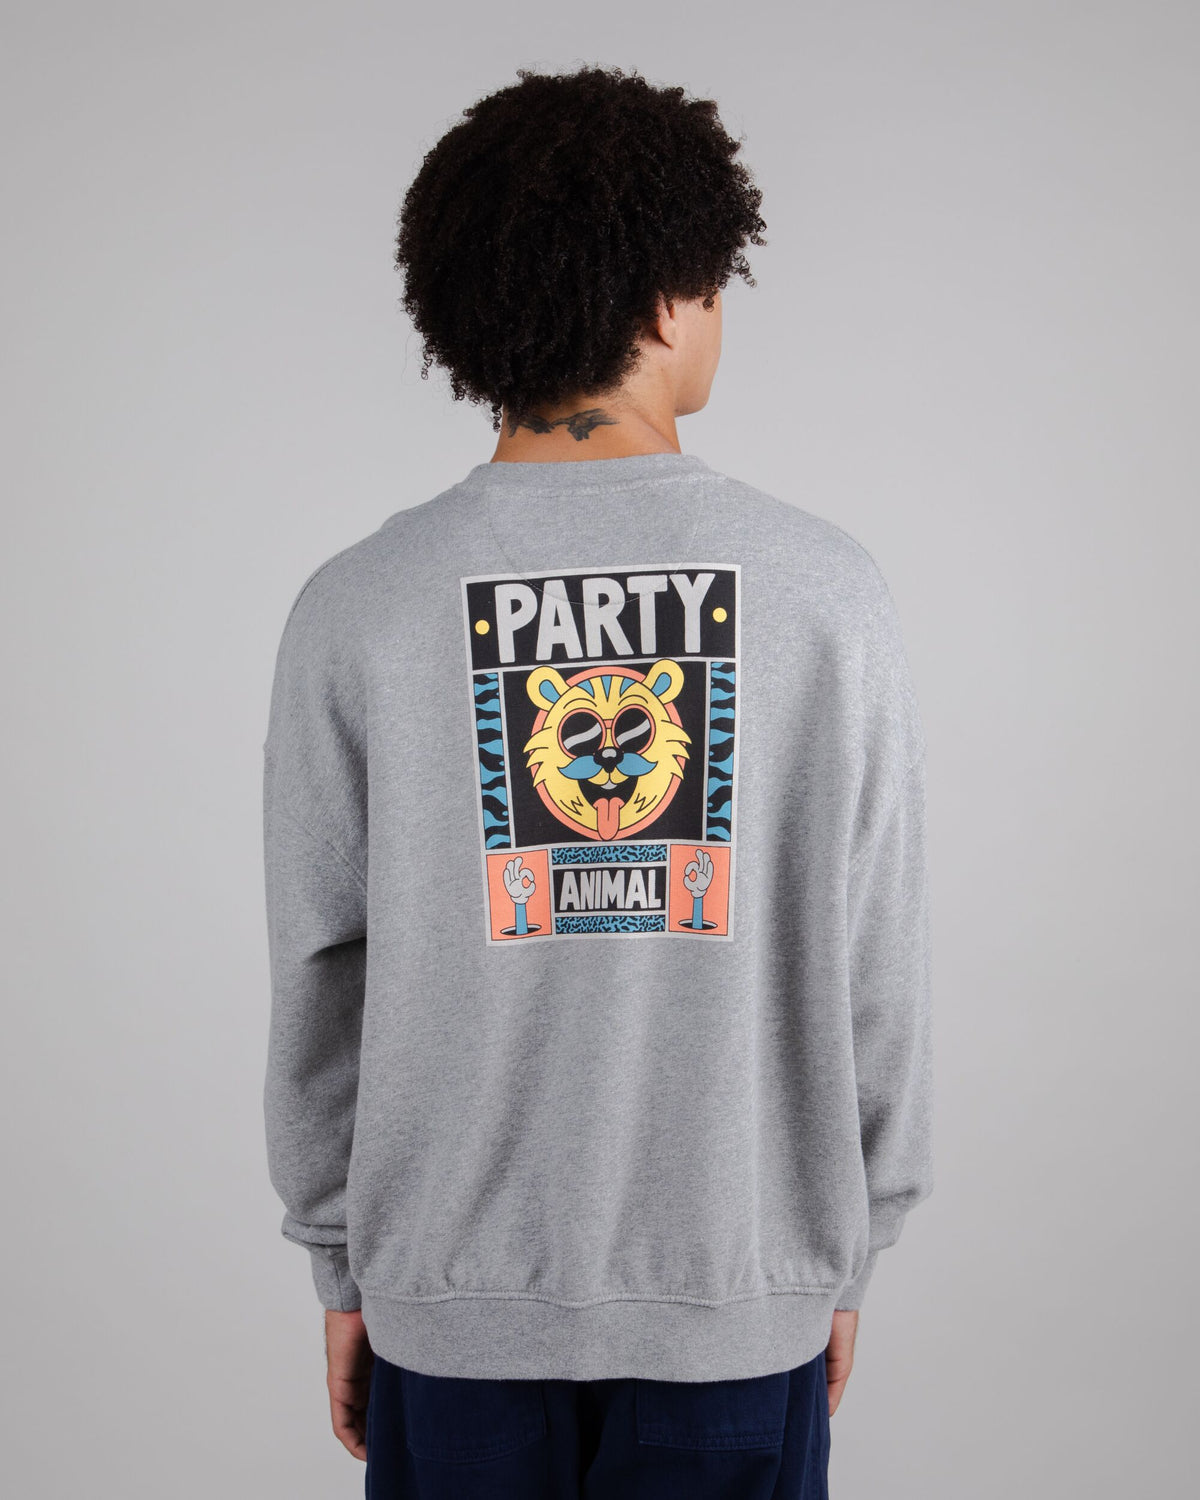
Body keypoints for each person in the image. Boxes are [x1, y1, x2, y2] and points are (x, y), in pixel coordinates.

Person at [262, 64, 934, 1500]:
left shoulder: (359, 604)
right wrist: (843, 1249)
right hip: (735, 1295)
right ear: (672, 299)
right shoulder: (826, 593)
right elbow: (872, 954)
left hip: (449, 1310)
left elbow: (322, 969)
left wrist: (343, 1263)